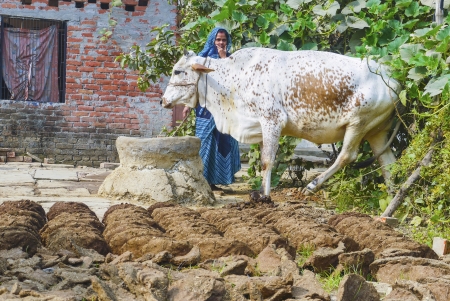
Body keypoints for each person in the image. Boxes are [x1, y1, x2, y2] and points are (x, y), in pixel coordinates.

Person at [182, 27, 241, 191]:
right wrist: (188, 104)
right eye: (218, 40)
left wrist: (223, 58)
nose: (221, 43)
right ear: (212, 40)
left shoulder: (231, 60)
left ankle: (214, 182)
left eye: (224, 40)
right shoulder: (202, 60)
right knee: (205, 144)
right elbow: (194, 83)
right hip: (205, 111)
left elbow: (233, 79)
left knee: (223, 143)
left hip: (225, 111)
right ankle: (202, 180)